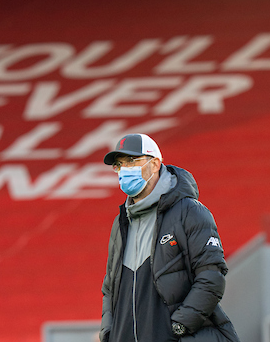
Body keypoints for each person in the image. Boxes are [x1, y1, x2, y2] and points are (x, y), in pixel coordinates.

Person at [99, 134, 240, 342]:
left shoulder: (189, 211)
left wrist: (179, 326)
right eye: (119, 165)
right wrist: (109, 333)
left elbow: (212, 276)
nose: (124, 170)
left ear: (155, 164)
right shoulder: (120, 223)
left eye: (132, 161)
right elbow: (109, 289)